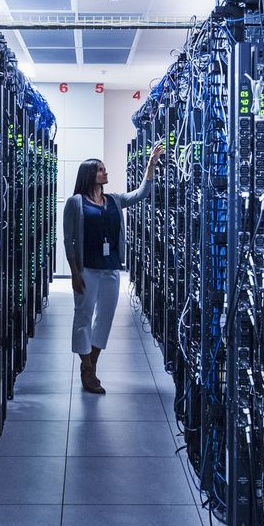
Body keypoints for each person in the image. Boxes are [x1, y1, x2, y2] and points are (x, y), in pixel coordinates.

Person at [62, 143, 164, 394]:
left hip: (110, 269)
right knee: (83, 317)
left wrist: (150, 166)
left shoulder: (114, 200)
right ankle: (86, 367)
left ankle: (92, 364)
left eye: (105, 169)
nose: (105, 173)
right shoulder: (75, 203)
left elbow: (140, 194)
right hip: (86, 269)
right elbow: (68, 240)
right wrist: (74, 272)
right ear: (89, 175)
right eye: (100, 170)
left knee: (104, 319)